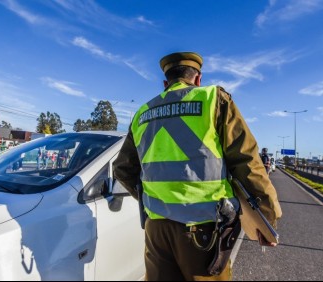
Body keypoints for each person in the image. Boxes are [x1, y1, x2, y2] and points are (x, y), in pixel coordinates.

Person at [113, 51, 282, 281]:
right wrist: (267, 217)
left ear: (165, 83)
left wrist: (154, 200)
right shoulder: (214, 99)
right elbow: (246, 162)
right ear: (198, 79)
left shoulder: (143, 113)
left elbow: (123, 169)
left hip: (156, 230)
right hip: (204, 233)